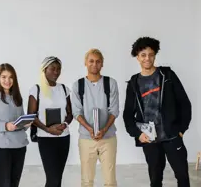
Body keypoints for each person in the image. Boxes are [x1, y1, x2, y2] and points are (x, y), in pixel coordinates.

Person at [123, 37, 191, 187]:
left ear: (155, 55)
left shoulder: (167, 75)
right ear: (137, 57)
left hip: (172, 136)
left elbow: (184, 104)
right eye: (143, 55)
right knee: (155, 180)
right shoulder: (134, 83)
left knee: (183, 177)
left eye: (151, 54)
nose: (147, 58)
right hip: (150, 140)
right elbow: (127, 114)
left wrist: (181, 130)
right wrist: (137, 134)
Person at [71, 49, 119, 187]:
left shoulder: (110, 83)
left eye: (98, 61)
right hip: (86, 138)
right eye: (91, 61)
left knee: (110, 181)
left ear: (102, 64)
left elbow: (114, 110)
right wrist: (89, 129)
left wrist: (104, 129)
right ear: (85, 63)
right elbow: (76, 112)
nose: (94, 64)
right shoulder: (78, 85)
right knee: (87, 181)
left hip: (108, 138)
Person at [27, 56, 73, 187]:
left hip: (63, 137)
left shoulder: (64, 89)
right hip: (46, 139)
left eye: (58, 69)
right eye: (52, 69)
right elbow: (31, 116)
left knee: (57, 179)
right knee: (52, 179)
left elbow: (70, 113)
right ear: (44, 69)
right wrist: (48, 129)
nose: (56, 72)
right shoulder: (36, 89)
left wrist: (64, 125)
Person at [0, 63, 30, 187]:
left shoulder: (17, 98)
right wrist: (5, 126)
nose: (7, 80)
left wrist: (27, 123)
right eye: (3, 77)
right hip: (2, 148)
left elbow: (20, 121)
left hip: (20, 146)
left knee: (15, 183)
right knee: (3, 184)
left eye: (10, 77)